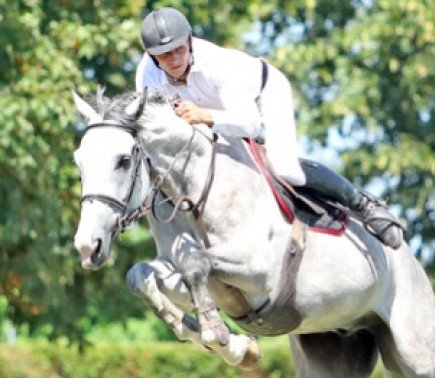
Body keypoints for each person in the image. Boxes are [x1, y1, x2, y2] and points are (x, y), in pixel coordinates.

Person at [136, 7, 404, 249]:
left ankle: (364, 205)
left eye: (179, 49)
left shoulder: (216, 64)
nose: (173, 59)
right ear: (151, 56)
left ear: (190, 41)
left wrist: (206, 116)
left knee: (285, 167)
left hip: (263, 95)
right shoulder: (146, 76)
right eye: (164, 54)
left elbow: (250, 123)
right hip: (206, 114)